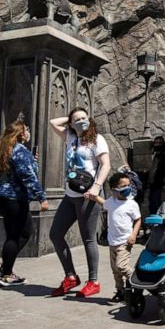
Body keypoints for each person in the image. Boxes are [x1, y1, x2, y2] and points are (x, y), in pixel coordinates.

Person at [47, 107, 110, 297]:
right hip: (70, 195)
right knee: (55, 234)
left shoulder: (97, 139)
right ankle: (71, 276)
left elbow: (106, 164)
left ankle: (94, 281)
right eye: (78, 119)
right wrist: (70, 121)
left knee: (88, 238)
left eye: (84, 118)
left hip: (87, 195)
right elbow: (52, 123)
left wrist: (96, 187)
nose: (82, 121)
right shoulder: (70, 137)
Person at [0, 121, 49, 287]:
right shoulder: (20, 150)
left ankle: (5, 268)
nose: (28, 132)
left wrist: (32, 161)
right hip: (14, 198)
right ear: (22, 134)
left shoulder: (5, 149)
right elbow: (28, 176)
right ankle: (7, 273)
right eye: (27, 130)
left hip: (0, 197)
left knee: (15, 234)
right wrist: (41, 197)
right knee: (20, 234)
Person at [90, 172, 142, 302]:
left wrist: (134, 234)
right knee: (115, 271)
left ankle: (138, 278)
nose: (127, 188)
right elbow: (103, 203)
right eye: (124, 186)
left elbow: (138, 220)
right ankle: (120, 291)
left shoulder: (131, 204)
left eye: (128, 185)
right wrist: (93, 196)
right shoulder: (112, 202)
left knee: (121, 266)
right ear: (114, 190)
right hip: (112, 241)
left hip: (125, 241)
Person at [146, 135, 165, 215]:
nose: (157, 145)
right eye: (156, 143)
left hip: (161, 183)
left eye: (159, 143)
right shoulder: (154, 155)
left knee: (158, 203)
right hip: (152, 184)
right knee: (152, 203)